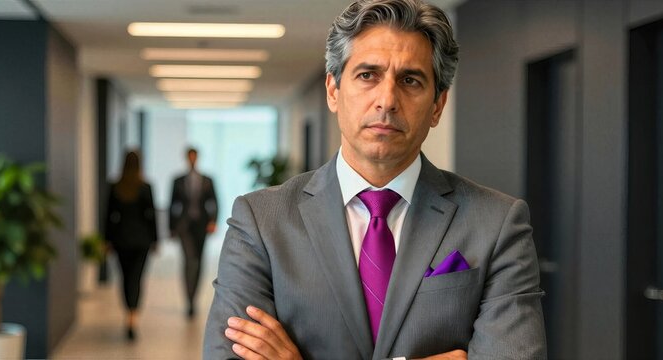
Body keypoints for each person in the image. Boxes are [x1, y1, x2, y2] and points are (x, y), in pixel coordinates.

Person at [203, 0, 546, 358]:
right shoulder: (260, 221)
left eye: (410, 80)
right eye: (368, 75)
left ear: (438, 105)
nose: (387, 99)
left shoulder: (497, 224)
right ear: (333, 91)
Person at [105, 151, 158, 341]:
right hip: (141, 240)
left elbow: (109, 216)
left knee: (125, 277)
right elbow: (151, 216)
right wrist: (155, 240)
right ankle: (132, 318)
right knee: (137, 277)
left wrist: (107, 240)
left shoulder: (116, 187)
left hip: (121, 239)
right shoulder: (145, 187)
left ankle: (128, 312)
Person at [169, 147, 219, 318]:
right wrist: (171, 227)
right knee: (189, 261)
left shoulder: (207, 180)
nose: (191, 160)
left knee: (198, 261)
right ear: (186, 158)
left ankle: (194, 296)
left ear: (197, 158)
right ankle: (189, 299)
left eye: (194, 157)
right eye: (189, 157)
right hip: (184, 227)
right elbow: (172, 204)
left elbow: (214, 201)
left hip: (201, 226)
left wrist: (213, 221)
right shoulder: (178, 180)